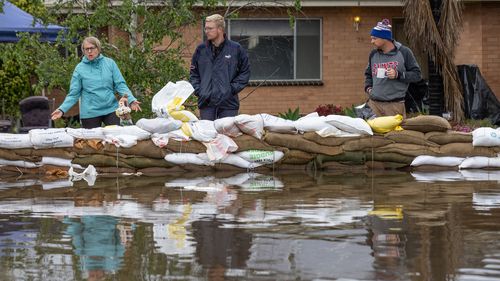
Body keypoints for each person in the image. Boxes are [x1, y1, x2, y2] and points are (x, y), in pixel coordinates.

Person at [51, 36, 141, 129]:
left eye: (92, 48)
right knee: (92, 142)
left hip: (111, 109)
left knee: (117, 137)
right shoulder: (79, 68)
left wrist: (131, 100)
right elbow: (74, 94)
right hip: (90, 112)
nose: (89, 51)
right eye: (86, 49)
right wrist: (62, 109)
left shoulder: (110, 63)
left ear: (98, 48)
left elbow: (120, 85)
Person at [189, 14, 250, 121]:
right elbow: (194, 74)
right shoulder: (201, 50)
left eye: (210, 28)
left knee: (226, 136)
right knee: (208, 135)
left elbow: (245, 72)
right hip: (206, 104)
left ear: (220, 29)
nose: (206, 31)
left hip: (228, 104)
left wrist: (230, 90)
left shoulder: (236, 49)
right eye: (205, 28)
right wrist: (200, 90)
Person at [364, 19, 421, 118]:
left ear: (384, 38)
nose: (371, 41)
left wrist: (398, 74)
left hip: (394, 105)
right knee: (370, 132)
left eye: (374, 38)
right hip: (373, 104)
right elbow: (368, 74)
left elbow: (417, 75)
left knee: (393, 133)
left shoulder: (404, 52)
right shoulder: (373, 54)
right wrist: (368, 88)